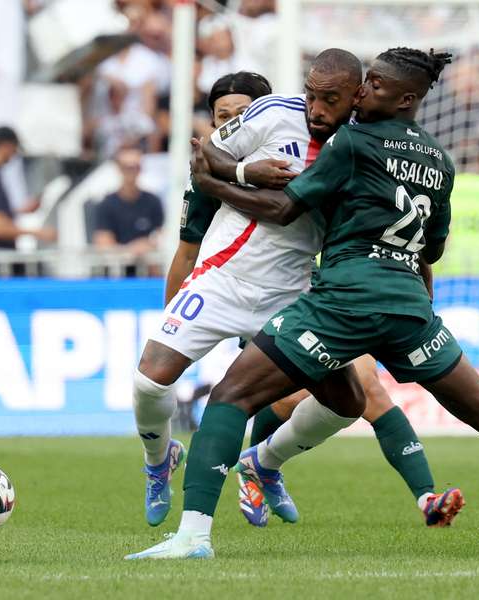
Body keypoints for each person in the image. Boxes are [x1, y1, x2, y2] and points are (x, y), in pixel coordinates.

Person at [127, 47, 479, 560]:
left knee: (230, 396)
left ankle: (194, 534)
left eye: (376, 85)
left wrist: (215, 181)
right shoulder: (440, 160)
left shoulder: (352, 142)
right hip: (409, 304)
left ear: (404, 97)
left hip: (345, 299)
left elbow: (287, 208)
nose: (364, 92)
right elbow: (432, 247)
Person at [175, 63, 462, 530]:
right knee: (286, 394)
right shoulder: (226, 172)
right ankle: (262, 466)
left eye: (240, 113)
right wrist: (177, 313)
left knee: (357, 392)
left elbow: (406, 234)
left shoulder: (360, 144)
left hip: (331, 290)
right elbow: (187, 250)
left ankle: (264, 465)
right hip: (240, 289)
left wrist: (421, 296)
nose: (232, 124)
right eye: (222, 116)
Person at [0, 126, 55, 249]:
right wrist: (38, 233)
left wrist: (19, 211)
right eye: (14, 149)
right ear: (6, 145)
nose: (14, 155)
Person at [93, 147, 164, 261]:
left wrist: (148, 245)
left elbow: (161, 237)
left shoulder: (153, 202)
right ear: (119, 169)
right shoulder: (106, 204)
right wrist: (132, 250)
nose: (131, 172)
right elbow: (103, 243)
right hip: (116, 272)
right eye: (127, 168)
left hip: (147, 271)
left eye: (135, 167)